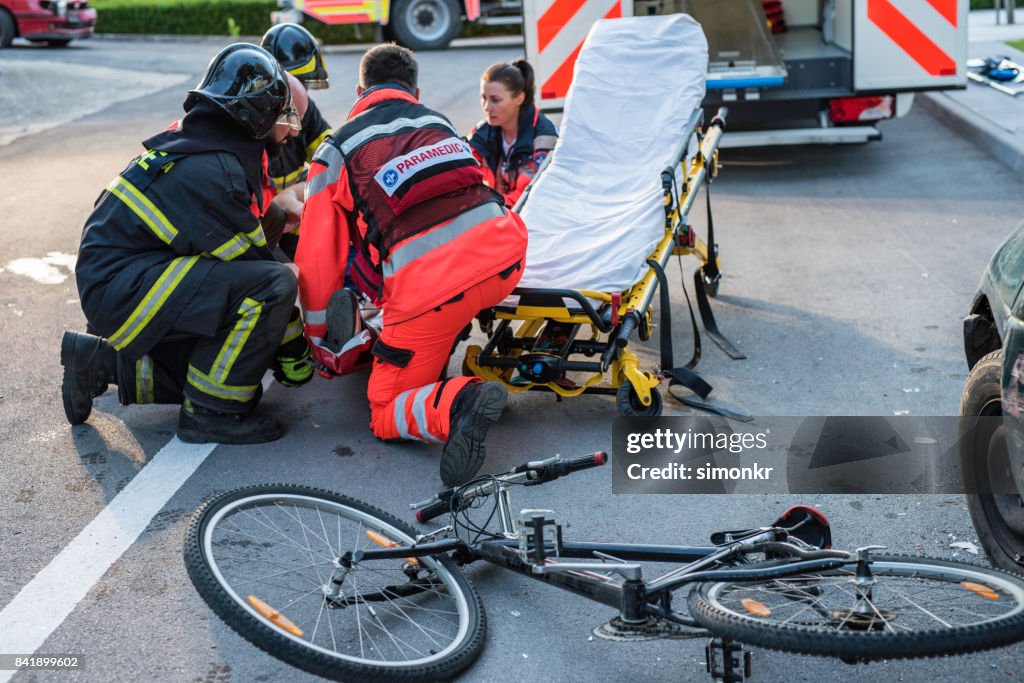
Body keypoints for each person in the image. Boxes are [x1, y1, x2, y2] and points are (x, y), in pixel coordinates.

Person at [296, 44, 529, 486]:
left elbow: (319, 261)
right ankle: (430, 340)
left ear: (359, 90)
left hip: (435, 295)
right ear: (415, 90)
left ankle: (461, 402)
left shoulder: (337, 149)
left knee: (384, 410)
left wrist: (323, 345)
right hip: (506, 259)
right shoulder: (437, 122)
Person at [61, 43, 313, 445]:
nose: (291, 130)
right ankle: (209, 417)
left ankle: (99, 364)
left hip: (119, 285)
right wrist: (296, 352)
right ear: (259, 114)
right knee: (273, 287)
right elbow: (261, 273)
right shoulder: (214, 170)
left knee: (235, 379)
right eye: (284, 116)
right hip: (121, 288)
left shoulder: (201, 148)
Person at [260, 22, 333, 259]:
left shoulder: (307, 111)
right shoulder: (252, 124)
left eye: (304, 86)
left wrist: (296, 192)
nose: (302, 95)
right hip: (258, 230)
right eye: (294, 87)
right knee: (287, 279)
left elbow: (333, 160)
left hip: (290, 222)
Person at [468, 60, 558, 208]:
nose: (487, 107)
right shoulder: (482, 131)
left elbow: (527, 197)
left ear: (519, 99)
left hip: (531, 216)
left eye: (495, 100)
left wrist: (484, 207)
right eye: (484, 98)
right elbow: (461, 172)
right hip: (497, 213)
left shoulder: (544, 138)